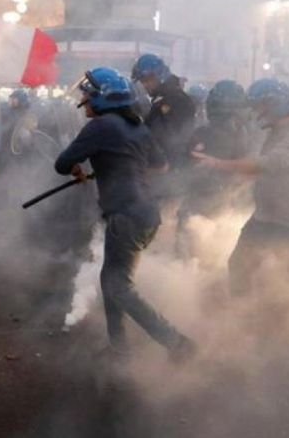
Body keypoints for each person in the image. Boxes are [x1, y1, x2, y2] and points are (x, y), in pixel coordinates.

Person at [55, 67, 196, 362]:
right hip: (145, 213)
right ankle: (119, 348)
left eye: (87, 93)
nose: (83, 98)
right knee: (111, 280)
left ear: (102, 97)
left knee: (119, 286)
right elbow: (161, 166)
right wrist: (120, 163)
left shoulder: (100, 127)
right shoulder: (137, 126)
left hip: (126, 215)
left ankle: (176, 342)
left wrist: (82, 170)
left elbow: (63, 162)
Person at [192, 79, 289, 298]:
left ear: (274, 104)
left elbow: (267, 164)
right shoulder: (277, 131)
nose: (255, 112)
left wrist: (218, 164)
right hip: (266, 218)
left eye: (259, 106)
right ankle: (245, 320)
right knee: (240, 265)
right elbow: (265, 170)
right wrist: (237, 185)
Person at [175, 80, 251, 262]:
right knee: (213, 247)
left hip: (205, 196)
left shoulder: (205, 133)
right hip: (227, 197)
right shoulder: (243, 132)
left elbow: (187, 162)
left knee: (188, 244)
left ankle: (187, 278)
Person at [131, 54, 196, 169]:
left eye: (149, 80)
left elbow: (161, 138)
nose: (145, 85)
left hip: (172, 170)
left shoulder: (175, 99)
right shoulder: (165, 98)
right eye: (143, 81)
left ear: (160, 75)